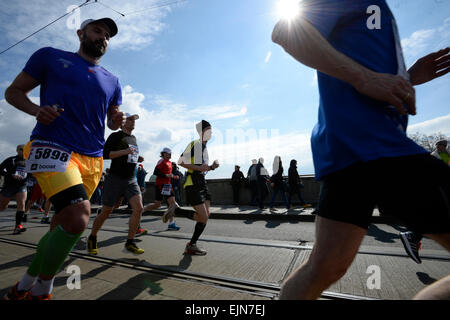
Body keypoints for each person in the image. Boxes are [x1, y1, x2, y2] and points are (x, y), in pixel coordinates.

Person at [272, 1, 450, 300]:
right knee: (324, 268)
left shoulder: (376, 7)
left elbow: (371, 77)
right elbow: (286, 32)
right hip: (381, 149)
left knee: (324, 268)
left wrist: (407, 77)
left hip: (353, 152)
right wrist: (364, 77)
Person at [3, 17, 124, 300]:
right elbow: (13, 92)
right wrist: (36, 110)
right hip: (52, 146)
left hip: (93, 159)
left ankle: (23, 285)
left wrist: (118, 120)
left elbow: (113, 122)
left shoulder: (113, 80)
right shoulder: (50, 56)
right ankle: (43, 291)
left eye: (107, 35)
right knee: (79, 218)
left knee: (61, 227)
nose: (103, 37)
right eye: (97, 31)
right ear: (81, 32)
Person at [87, 113, 147, 255]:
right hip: (115, 178)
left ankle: (130, 242)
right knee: (107, 211)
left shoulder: (133, 138)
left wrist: (137, 158)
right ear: (122, 123)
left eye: (134, 120)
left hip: (130, 179)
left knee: (138, 209)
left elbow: (129, 156)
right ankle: (92, 237)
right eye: (130, 119)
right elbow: (106, 154)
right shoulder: (115, 136)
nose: (133, 122)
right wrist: (126, 151)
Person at [400, 139, 449, 264]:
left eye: (443, 145)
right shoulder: (440, 155)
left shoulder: (439, 154)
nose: (441, 147)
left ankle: (414, 236)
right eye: (440, 145)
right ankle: (414, 236)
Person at [177, 120, 219, 255]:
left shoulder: (204, 147)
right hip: (192, 182)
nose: (211, 133)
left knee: (205, 216)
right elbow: (181, 161)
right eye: (208, 130)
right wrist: (199, 168)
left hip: (202, 182)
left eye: (211, 130)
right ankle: (176, 211)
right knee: (203, 216)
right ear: (201, 132)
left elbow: (203, 169)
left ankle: (192, 245)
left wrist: (212, 167)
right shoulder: (195, 144)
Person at [143, 148, 181, 231]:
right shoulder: (161, 161)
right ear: (164, 154)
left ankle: (171, 223)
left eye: (171, 153)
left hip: (168, 186)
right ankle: (142, 210)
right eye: (168, 153)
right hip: (160, 185)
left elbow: (169, 174)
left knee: (173, 204)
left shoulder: (170, 163)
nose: (170, 154)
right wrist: (165, 176)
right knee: (157, 205)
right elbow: (155, 172)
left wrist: (174, 176)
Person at [0, 144, 29, 234]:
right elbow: (0, 169)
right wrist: (11, 175)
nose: (23, 151)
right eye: (21, 149)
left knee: (21, 204)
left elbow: (32, 173)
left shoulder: (29, 161)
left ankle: (18, 226)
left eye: (25, 149)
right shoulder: (11, 159)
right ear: (17, 150)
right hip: (9, 186)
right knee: (3, 206)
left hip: (21, 186)